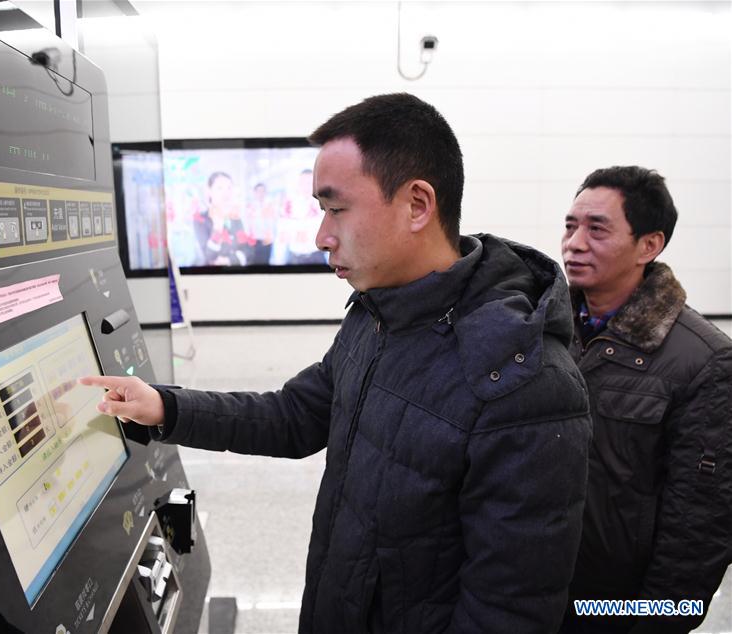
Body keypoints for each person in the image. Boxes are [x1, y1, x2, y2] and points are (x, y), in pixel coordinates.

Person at [81, 93, 592, 633]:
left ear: (418, 205)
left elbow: (508, 613)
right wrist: (163, 406)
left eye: (336, 208)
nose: (321, 237)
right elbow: (296, 415)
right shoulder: (380, 312)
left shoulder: (524, 382)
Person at [558, 166, 732, 633]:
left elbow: (698, 530)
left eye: (597, 229)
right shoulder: (545, 334)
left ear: (649, 245)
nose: (574, 243)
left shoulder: (705, 361)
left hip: (610, 610)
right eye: (570, 226)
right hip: (533, 592)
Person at [192, 171, 254, 266]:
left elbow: (248, 250)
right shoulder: (200, 219)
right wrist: (218, 227)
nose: (226, 193)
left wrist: (230, 260)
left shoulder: (235, 218)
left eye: (229, 188)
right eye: (220, 188)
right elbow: (209, 257)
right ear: (209, 191)